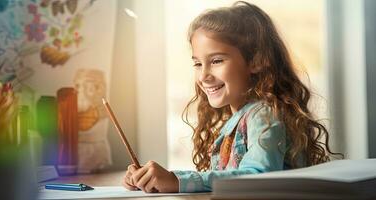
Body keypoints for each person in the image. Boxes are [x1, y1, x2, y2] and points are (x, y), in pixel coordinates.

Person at [122, 1, 340, 193]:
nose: (204, 75)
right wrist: (158, 179)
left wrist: (177, 181)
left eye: (216, 61)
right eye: (198, 63)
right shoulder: (242, 117)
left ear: (256, 61)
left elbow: (258, 178)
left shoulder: (263, 115)